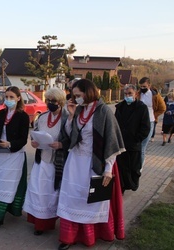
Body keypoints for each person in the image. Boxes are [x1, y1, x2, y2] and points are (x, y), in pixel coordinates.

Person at [56, 79, 125, 250]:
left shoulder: (104, 111)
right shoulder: (78, 109)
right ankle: (68, 237)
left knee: (91, 200)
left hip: (94, 163)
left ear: (88, 92)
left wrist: (108, 169)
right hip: (75, 162)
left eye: (78, 95)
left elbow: (111, 142)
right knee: (72, 199)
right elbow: (70, 137)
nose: (76, 98)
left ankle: (91, 235)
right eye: (74, 96)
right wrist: (71, 116)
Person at [23, 88, 69, 236]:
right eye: (48, 100)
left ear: (60, 102)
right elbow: (35, 133)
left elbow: (73, 139)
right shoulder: (42, 117)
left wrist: (61, 144)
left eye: (53, 101)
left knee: (50, 193)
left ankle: (47, 222)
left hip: (56, 162)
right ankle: (37, 222)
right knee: (37, 190)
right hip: (41, 159)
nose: (50, 103)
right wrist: (34, 142)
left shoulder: (67, 118)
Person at [0, 86, 30, 231]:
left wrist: (10, 144)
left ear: (19, 98)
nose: (9, 100)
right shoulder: (1, 113)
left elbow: (23, 139)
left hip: (14, 155)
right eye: (7, 97)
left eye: (12, 97)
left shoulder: (23, 116)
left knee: (8, 184)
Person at [115, 84, 150, 193]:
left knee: (134, 168)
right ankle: (122, 187)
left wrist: (138, 138)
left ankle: (133, 184)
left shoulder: (141, 107)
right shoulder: (120, 107)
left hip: (134, 144)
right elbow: (115, 124)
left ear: (135, 94)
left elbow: (145, 126)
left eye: (130, 93)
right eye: (125, 94)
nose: (127, 96)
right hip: (121, 143)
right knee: (122, 168)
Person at [137, 77, 166, 165]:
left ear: (149, 85)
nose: (142, 88)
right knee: (137, 145)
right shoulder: (138, 94)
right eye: (141, 87)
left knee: (142, 146)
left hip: (150, 122)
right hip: (138, 122)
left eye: (144, 86)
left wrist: (154, 115)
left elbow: (163, 108)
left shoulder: (155, 96)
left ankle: (140, 167)